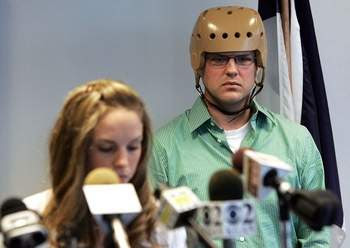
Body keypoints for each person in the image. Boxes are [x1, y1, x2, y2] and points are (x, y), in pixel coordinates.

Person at [149, 5, 330, 247]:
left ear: (258, 65)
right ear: (200, 65)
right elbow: (153, 237)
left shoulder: (296, 140)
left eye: (244, 59)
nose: (232, 70)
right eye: (219, 59)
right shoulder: (163, 148)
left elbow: (317, 239)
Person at [42, 79, 186, 247]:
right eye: (106, 148)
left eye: (133, 147)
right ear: (74, 151)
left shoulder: (163, 225)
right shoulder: (30, 225)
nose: (123, 162)